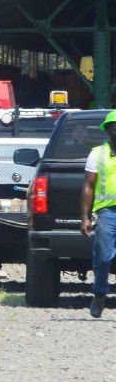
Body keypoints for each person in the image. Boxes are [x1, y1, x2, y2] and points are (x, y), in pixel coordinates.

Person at [81, 109, 116, 317]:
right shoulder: (97, 153)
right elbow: (88, 185)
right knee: (102, 257)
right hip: (107, 214)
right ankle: (99, 294)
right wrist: (85, 217)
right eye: (115, 128)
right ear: (109, 130)